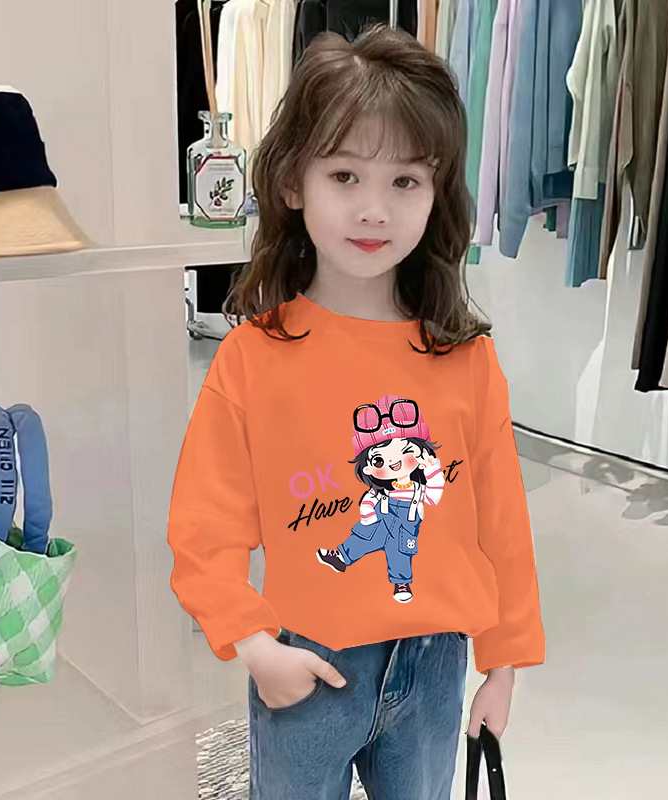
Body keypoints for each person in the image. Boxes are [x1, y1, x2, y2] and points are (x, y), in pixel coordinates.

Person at [167, 22, 545, 799]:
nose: (374, 210)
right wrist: (252, 645)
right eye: (345, 175)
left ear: (437, 194)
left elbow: (501, 522)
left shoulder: (464, 359)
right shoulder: (254, 357)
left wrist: (504, 662)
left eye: (405, 181)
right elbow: (205, 525)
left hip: (435, 664)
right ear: (292, 182)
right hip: (307, 664)